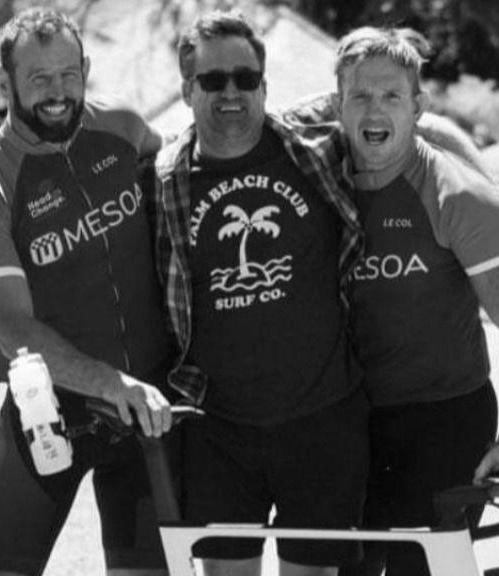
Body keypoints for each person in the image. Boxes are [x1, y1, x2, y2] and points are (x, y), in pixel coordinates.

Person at [288, 27, 499, 576]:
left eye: (391, 96)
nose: (375, 109)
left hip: (445, 421)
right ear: (338, 106)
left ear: (418, 108)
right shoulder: (313, 184)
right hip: (352, 421)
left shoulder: (461, 197)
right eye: (360, 96)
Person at [0, 8, 177, 576]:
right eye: (39, 79)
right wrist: (110, 383)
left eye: (69, 74)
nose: (58, 93)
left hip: (145, 408)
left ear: (86, 69)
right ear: (3, 84)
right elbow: (14, 330)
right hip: (49, 408)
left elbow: (193, 172)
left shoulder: (123, 128)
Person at [152, 9, 370, 576]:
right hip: (217, 430)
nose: (231, 92)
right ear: (186, 89)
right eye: (213, 80)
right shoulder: (164, 180)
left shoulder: (318, 153)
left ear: (264, 87)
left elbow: (408, 124)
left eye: (245, 79)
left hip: (322, 421)